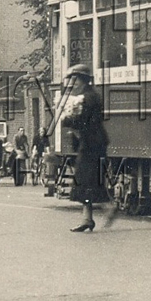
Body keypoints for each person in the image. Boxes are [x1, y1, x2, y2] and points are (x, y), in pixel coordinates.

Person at [59, 64, 109, 231]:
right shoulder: (88, 96)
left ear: (85, 81)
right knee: (87, 180)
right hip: (90, 143)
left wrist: (67, 121)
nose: (74, 84)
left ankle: (106, 208)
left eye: (76, 81)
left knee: (86, 179)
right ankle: (88, 218)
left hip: (92, 144)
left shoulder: (89, 98)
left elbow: (84, 121)